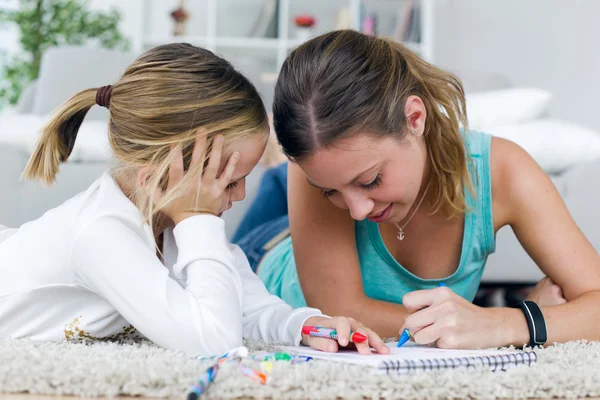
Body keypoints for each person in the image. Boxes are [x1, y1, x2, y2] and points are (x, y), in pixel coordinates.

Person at [0, 43, 388, 357]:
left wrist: (304, 326)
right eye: (230, 181)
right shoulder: (100, 235)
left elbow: (244, 304)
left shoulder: (164, 219)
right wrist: (197, 218)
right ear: (158, 173)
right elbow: (214, 340)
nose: (239, 195)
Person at [234, 30, 600, 349]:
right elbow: (342, 310)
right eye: (330, 191)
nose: (358, 210)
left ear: (414, 118)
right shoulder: (316, 161)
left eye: (370, 180)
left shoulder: (503, 172)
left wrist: (503, 324)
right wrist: (502, 319)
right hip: (261, 259)